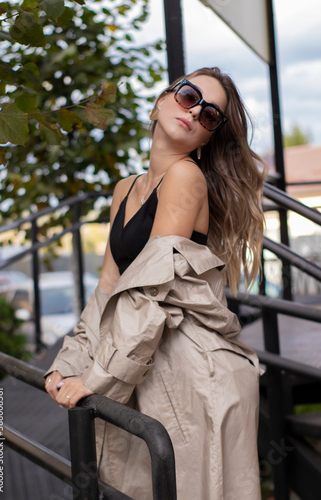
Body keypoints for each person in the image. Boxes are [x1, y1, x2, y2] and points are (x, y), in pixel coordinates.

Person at [45, 67, 267, 500]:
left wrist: (98, 377)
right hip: (148, 361)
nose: (196, 111)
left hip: (194, 376)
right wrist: (70, 360)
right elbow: (109, 286)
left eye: (210, 116)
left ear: (208, 138)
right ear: (161, 101)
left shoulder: (186, 178)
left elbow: (151, 290)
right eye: (189, 96)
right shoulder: (124, 189)